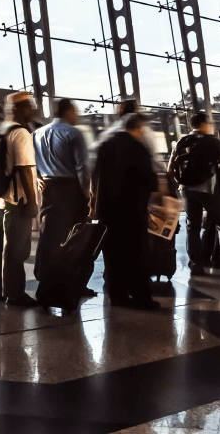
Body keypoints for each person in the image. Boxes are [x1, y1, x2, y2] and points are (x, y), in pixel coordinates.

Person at [93, 114, 160, 309]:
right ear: (138, 127)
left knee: (113, 255)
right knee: (136, 255)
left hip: (107, 210)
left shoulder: (105, 144)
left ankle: (117, 295)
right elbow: (148, 178)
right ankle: (141, 298)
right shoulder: (138, 147)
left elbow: (96, 176)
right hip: (131, 210)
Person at [31, 99, 97, 298]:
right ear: (68, 110)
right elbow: (82, 168)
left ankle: (44, 278)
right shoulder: (73, 133)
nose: (76, 115)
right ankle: (73, 281)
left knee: (49, 234)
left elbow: (31, 162)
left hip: (48, 189)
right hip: (70, 189)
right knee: (76, 238)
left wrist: (37, 178)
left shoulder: (37, 134)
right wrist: (88, 195)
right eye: (75, 110)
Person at [0, 92, 41, 307]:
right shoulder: (20, 133)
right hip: (18, 200)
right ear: (19, 109)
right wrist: (33, 200)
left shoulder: (0, 131)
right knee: (16, 248)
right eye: (30, 105)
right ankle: (15, 293)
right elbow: (25, 169)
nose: (33, 109)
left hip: (0, 199)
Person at [168, 112, 220, 276]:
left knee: (192, 226)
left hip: (187, 190)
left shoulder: (182, 141)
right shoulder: (213, 142)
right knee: (217, 222)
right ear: (204, 124)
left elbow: (170, 168)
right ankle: (211, 255)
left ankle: (196, 264)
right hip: (208, 189)